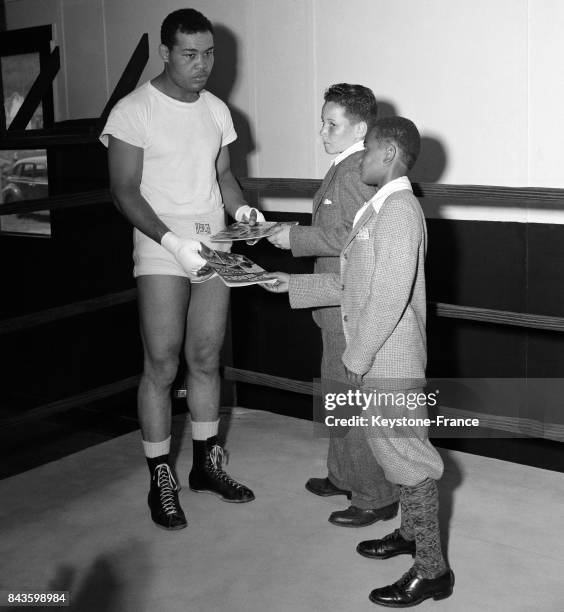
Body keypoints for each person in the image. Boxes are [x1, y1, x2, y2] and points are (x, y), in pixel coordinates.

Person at [262, 117, 454, 606]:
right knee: (397, 452)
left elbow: (387, 298)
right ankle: (410, 536)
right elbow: (354, 288)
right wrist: (293, 284)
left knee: (409, 461)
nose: (360, 157)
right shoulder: (378, 209)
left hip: (387, 359)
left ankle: (432, 570)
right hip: (378, 356)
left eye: (366, 148)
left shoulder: (398, 213)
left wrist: (356, 358)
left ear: (388, 153)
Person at [100, 8, 263, 531]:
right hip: (160, 243)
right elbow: (123, 190)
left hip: (213, 242)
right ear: (166, 52)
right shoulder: (134, 110)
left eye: (209, 53)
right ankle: (160, 478)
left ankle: (205, 466)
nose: (202, 64)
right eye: (190, 54)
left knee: (207, 355)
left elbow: (224, 177)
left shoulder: (216, 109)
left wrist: (242, 212)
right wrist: (172, 241)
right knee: (163, 362)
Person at [267, 83, 399, 528]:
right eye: (322, 121)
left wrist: (293, 238)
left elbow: (352, 239)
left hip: (348, 306)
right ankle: (344, 475)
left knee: (352, 401)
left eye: (332, 124)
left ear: (359, 128)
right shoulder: (347, 167)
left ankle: (375, 495)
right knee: (338, 395)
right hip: (332, 301)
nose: (322, 131)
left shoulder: (353, 173)